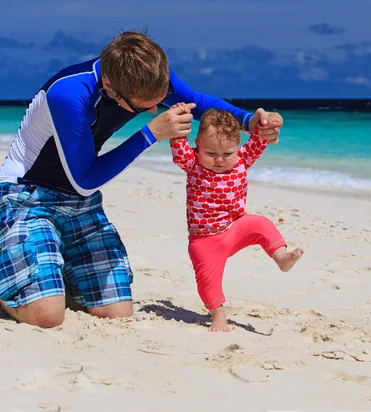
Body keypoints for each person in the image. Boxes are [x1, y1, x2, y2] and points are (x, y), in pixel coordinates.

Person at [0, 29, 283, 328]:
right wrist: (151, 134)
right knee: (47, 317)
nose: (151, 108)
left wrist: (250, 122)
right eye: (143, 105)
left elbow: (198, 102)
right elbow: (84, 178)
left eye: (158, 100)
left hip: (79, 203)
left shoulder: (145, 75)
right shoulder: (69, 94)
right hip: (27, 196)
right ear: (110, 85)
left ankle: (46, 272)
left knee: (117, 312)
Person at [169, 107, 303, 332]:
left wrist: (266, 121)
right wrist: (178, 122)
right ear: (198, 144)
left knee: (260, 223)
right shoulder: (193, 163)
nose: (219, 160)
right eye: (211, 154)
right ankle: (218, 314)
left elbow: (260, 139)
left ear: (237, 147)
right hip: (204, 240)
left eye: (227, 153)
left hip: (235, 229)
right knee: (207, 282)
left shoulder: (243, 158)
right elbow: (178, 147)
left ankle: (281, 257)